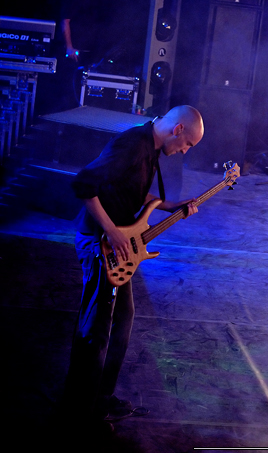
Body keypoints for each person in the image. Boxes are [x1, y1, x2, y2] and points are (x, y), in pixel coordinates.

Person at [59, 105, 204, 440]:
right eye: (187, 145)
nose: (184, 151)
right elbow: (84, 185)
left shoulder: (150, 148)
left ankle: (100, 400)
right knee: (96, 330)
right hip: (99, 242)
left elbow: (133, 190)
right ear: (178, 129)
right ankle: (78, 413)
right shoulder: (131, 144)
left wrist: (171, 206)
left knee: (122, 319)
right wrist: (111, 231)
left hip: (116, 241)